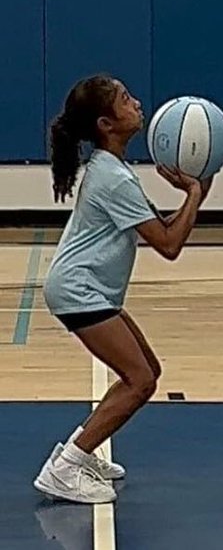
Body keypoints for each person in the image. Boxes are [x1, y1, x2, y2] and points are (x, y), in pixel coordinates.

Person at [34, 75, 211, 505]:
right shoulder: (114, 179)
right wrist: (195, 192)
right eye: (126, 100)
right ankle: (65, 468)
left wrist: (194, 195)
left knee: (147, 372)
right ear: (106, 124)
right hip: (79, 291)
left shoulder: (112, 170)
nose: (137, 103)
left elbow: (162, 230)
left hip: (89, 290)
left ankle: (78, 454)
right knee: (140, 379)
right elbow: (169, 245)